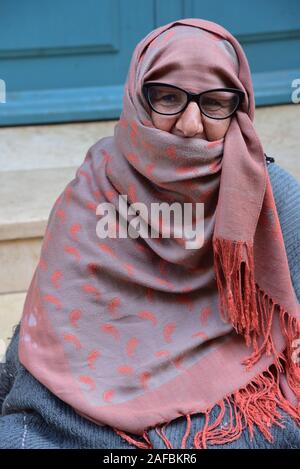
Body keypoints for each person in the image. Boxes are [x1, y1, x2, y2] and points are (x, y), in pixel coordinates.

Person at [1, 17, 300, 450]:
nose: (191, 124)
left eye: (215, 103)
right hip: (82, 411)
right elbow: (53, 316)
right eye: (168, 98)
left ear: (241, 107)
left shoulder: (269, 196)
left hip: (223, 408)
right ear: (138, 98)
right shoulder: (94, 187)